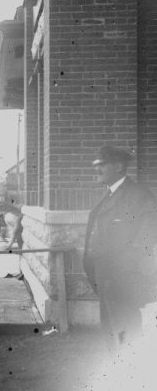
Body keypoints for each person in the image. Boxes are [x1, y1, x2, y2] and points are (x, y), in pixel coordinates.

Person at [83, 146, 157, 348]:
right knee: (111, 331)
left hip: (123, 279)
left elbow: (148, 233)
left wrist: (125, 268)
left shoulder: (138, 195)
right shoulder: (109, 194)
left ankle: (130, 375)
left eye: (102, 165)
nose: (96, 170)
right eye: (96, 165)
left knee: (126, 332)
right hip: (106, 277)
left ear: (118, 166)